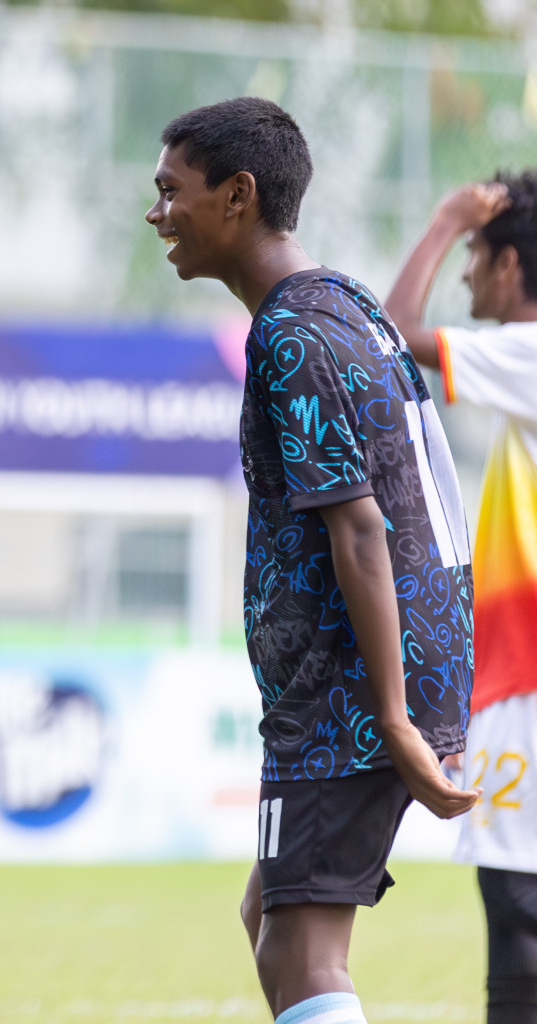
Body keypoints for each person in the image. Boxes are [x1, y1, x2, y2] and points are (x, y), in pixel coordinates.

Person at [145, 96, 478, 1024]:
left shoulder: (293, 334)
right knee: (271, 918)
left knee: (301, 951)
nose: (156, 212)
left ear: (238, 196)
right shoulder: (345, 303)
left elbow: (362, 529)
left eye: (170, 191)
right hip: (391, 673)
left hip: (352, 692)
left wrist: (395, 717)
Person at [384, 171, 537, 1024]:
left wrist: (444, 217)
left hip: (528, 685)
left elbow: (393, 333)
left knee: (518, 906)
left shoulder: (529, 350)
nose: (470, 274)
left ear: (511, 264)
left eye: (477, 256)